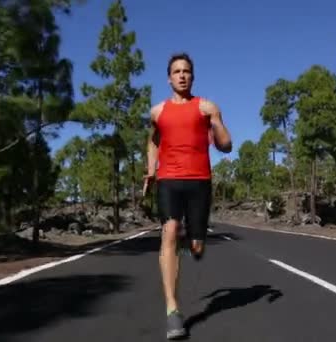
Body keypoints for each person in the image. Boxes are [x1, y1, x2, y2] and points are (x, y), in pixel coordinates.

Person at [143, 52, 232, 340]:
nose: (182, 75)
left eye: (187, 71)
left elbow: (226, 146)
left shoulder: (206, 107)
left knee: (195, 246)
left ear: (192, 76)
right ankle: (173, 311)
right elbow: (153, 140)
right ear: (169, 78)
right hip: (169, 180)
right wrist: (151, 170)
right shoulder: (157, 112)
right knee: (169, 232)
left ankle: (196, 240)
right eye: (176, 71)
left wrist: (216, 122)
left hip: (199, 182)